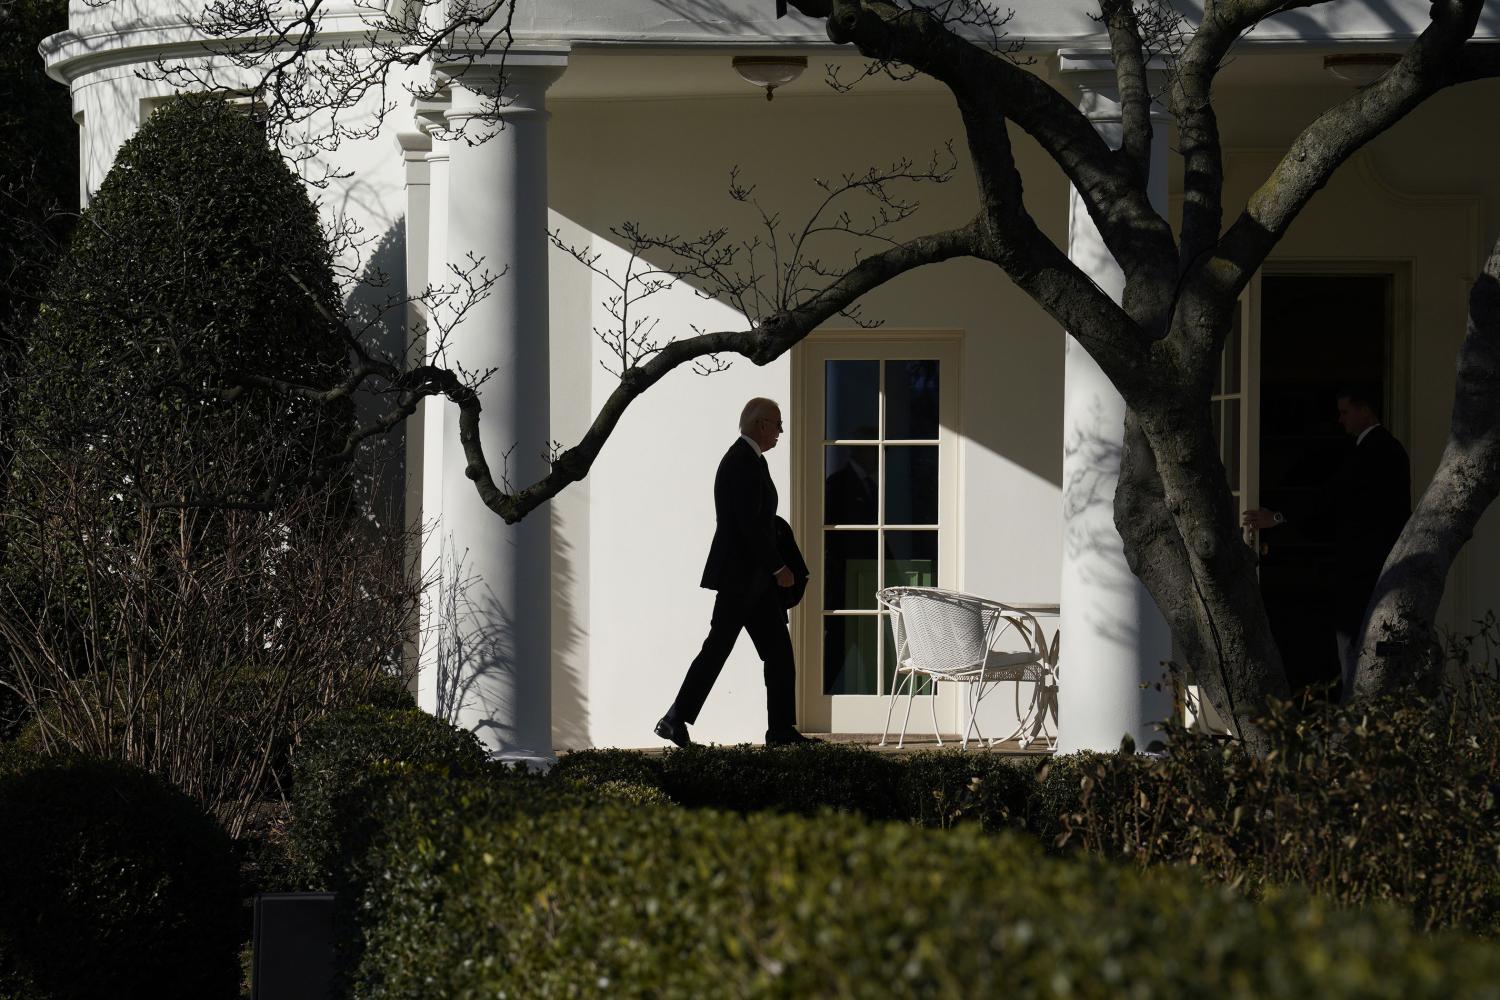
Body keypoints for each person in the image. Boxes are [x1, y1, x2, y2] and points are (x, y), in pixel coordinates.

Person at [655, 398, 817, 748]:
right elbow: (749, 525)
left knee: (774, 652)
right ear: (761, 425)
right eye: (777, 424)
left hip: (751, 582)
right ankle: (675, 718)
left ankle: (780, 731)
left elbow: (756, 522)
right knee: (721, 649)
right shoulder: (743, 461)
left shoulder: (749, 461)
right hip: (744, 579)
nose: (780, 432)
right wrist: (779, 567)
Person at [1243, 387, 1411, 700]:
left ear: (1365, 411)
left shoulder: (1373, 451)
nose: (1340, 419)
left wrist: (1277, 517)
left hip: (1364, 567)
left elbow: (1331, 498)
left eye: (1345, 412)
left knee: (1356, 647)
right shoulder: (1389, 449)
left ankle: (1356, 718)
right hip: (1374, 564)